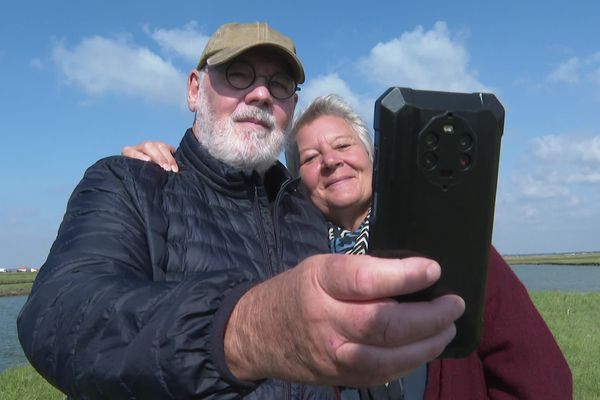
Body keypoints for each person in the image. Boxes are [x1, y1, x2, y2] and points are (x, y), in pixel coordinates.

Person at [17, 22, 465, 400]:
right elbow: (59, 314)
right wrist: (245, 330)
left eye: (280, 84)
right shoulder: (129, 183)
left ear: (291, 106)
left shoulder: (306, 208)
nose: (260, 94)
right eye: (238, 74)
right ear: (195, 89)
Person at [126, 94, 573, 399]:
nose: (331, 160)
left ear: (373, 157)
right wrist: (170, 167)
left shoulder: (454, 247)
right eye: (309, 157)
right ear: (295, 179)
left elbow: (539, 377)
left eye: (342, 145)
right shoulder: (284, 260)